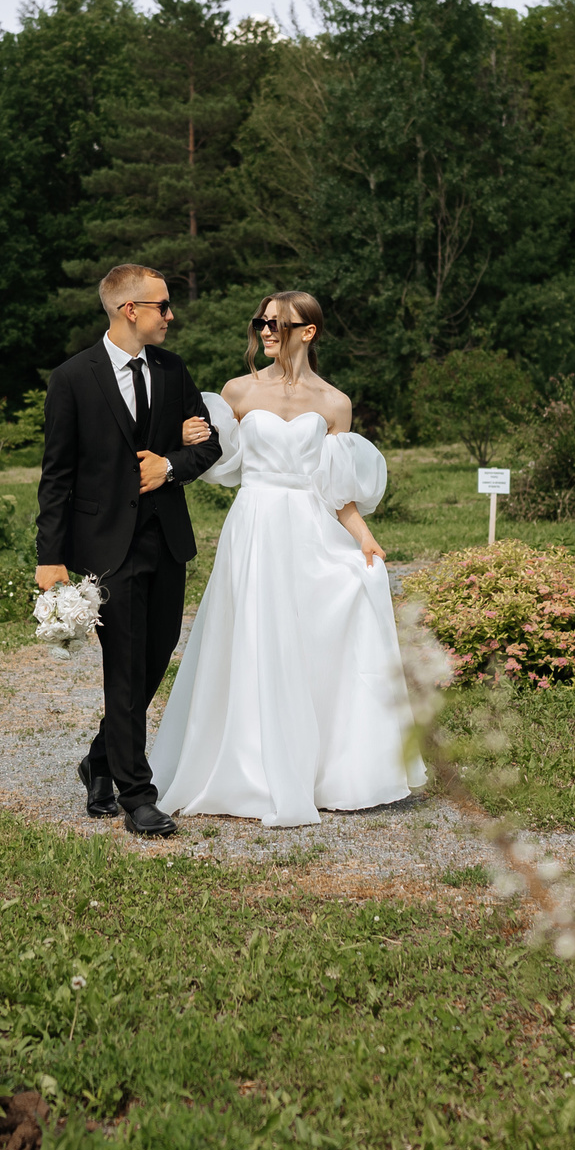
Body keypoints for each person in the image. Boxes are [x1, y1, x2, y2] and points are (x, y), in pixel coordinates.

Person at [147, 291, 420, 826]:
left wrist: (364, 538)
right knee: (250, 636)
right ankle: (245, 767)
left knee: (312, 636)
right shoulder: (238, 391)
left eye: (277, 323)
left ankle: (321, 770)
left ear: (308, 332)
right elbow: (207, 454)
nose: (266, 331)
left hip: (310, 529)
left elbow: (336, 488)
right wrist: (179, 436)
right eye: (262, 322)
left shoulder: (335, 402)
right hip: (254, 524)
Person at [34, 264, 223, 837]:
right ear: (129, 310)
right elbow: (57, 476)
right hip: (104, 547)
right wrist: (50, 557)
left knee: (155, 657)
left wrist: (170, 465)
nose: (170, 315)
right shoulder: (72, 378)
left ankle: (99, 760)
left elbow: (209, 443)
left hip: (165, 539)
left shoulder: (172, 369)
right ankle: (137, 795)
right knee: (124, 665)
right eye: (162, 305)